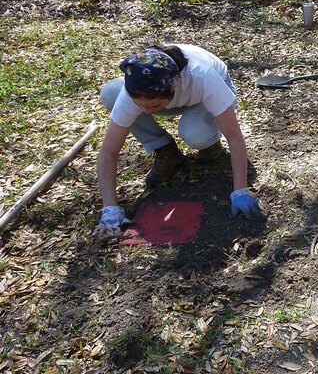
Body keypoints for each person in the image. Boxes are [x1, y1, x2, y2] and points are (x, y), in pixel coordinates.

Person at [93, 44, 264, 238]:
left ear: (173, 86)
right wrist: (109, 208)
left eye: (153, 106)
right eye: (142, 106)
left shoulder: (203, 76)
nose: (147, 112)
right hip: (168, 98)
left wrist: (240, 190)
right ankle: (165, 150)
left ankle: (210, 143)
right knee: (110, 93)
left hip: (205, 93)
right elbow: (109, 151)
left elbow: (234, 136)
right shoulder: (135, 90)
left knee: (195, 133)